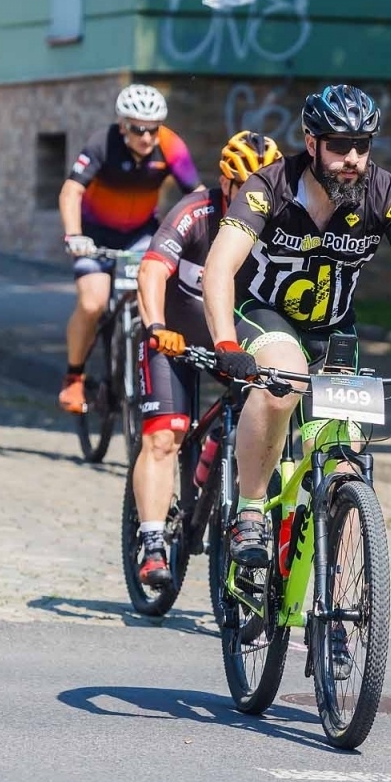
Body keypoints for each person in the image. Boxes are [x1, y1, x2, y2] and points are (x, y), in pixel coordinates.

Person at [201, 84, 391, 568]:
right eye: (339, 146)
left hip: (335, 330)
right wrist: (224, 341)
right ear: (311, 142)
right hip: (265, 313)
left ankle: (342, 618)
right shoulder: (269, 188)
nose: (352, 158)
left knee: (344, 463)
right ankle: (252, 511)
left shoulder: (385, 194)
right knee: (282, 384)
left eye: (362, 146)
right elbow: (220, 268)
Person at [129, 130, 282, 588]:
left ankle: (230, 497)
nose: (254, 200)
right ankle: (153, 542)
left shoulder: (278, 225)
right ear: (225, 183)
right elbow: (153, 269)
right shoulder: (195, 211)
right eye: (244, 189)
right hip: (174, 339)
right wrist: (156, 327)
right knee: (165, 437)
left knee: (263, 423)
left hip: (231, 344)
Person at [59, 84, 202, 413]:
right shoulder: (102, 144)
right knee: (93, 303)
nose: (147, 137)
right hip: (95, 235)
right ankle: (74, 378)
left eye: (153, 129)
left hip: (140, 232)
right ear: (122, 125)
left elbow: (195, 197)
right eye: (138, 129)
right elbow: (70, 191)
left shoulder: (170, 145)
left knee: (157, 298)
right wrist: (73, 235)